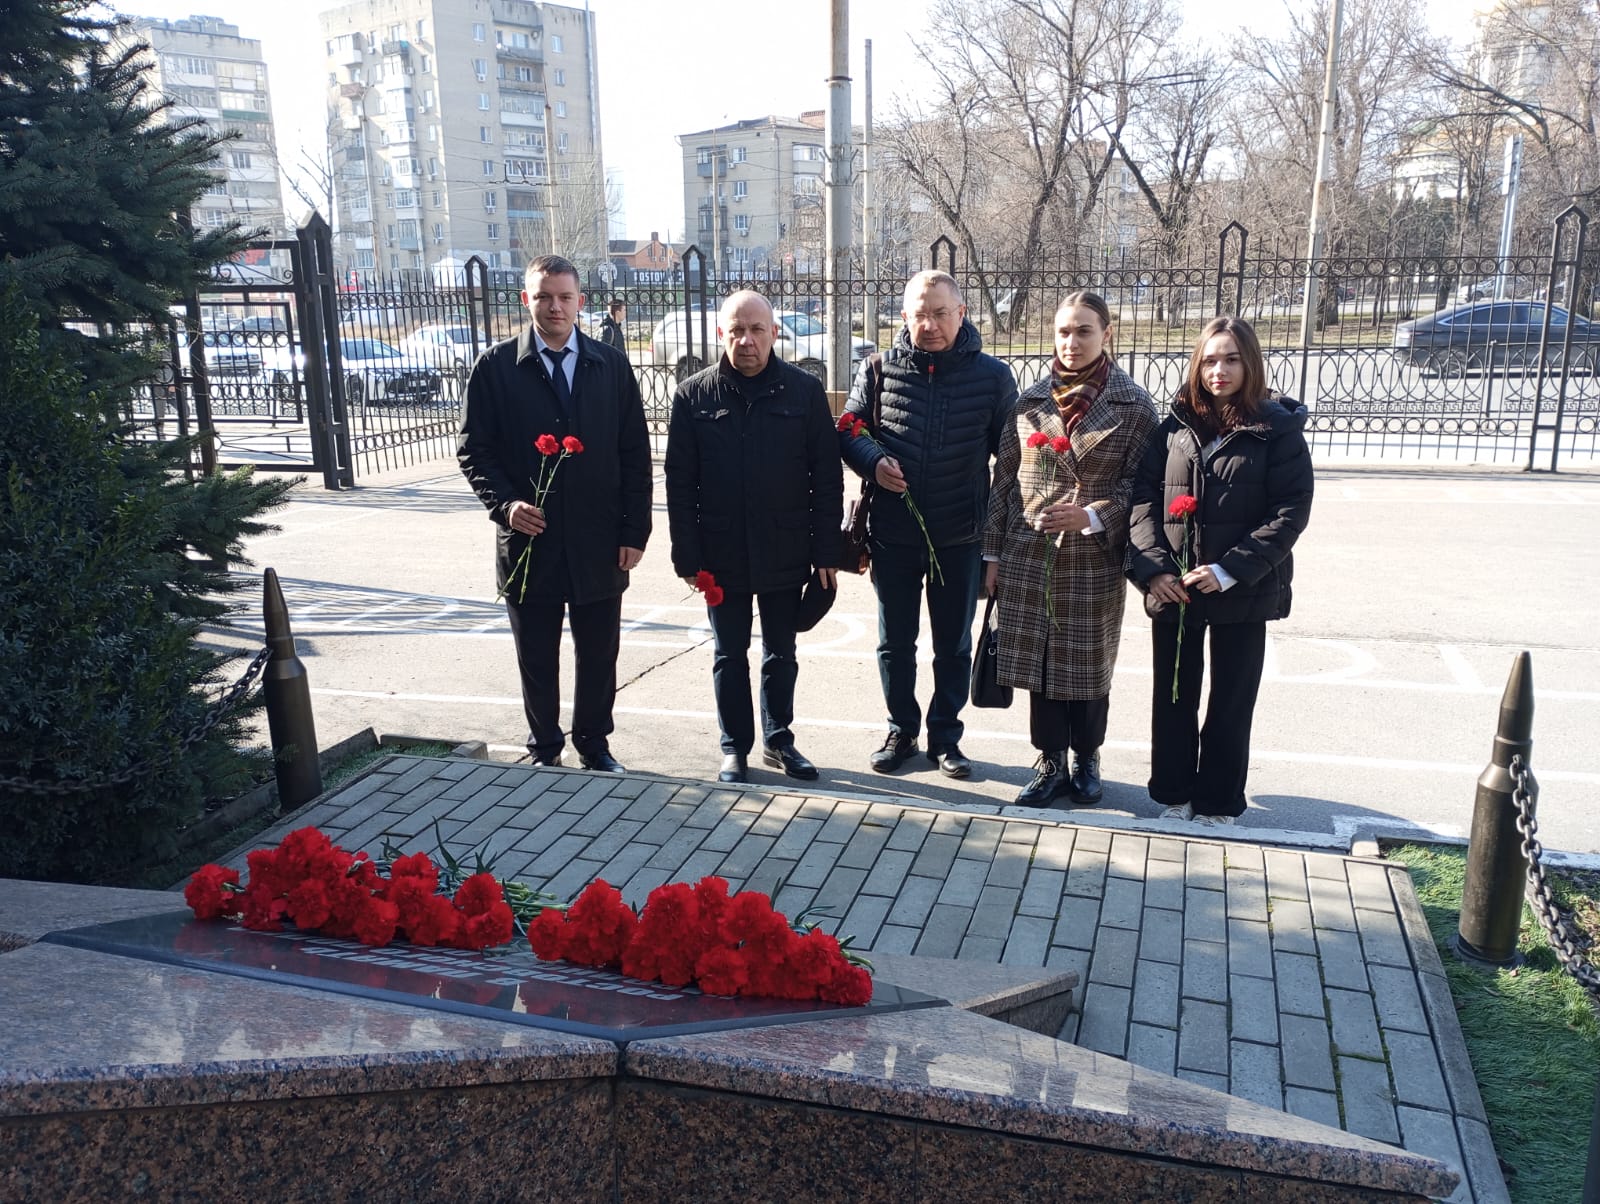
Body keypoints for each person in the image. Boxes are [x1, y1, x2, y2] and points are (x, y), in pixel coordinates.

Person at [458, 255, 652, 773]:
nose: (555, 307)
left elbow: (635, 453)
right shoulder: (496, 367)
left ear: (580, 302)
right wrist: (506, 505)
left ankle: (594, 744)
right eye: (543, 296)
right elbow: (474, 451)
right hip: (529, 541)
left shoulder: (611, 366)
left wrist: (635, 530)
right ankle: (544, 748)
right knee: (537, 655)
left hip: (599, 539)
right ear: (527, 300)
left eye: (565, 297)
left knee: (599, 653)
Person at [1127, 315, 1314, 826]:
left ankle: (1218, 802)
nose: (1219, 371)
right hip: (1176, 587)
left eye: (1231, 359)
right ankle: (1173, 795)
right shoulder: (1173, 428)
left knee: (1231, 699)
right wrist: (1154, 571)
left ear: (1249, 363)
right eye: (1209, 360)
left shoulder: (1276, 430)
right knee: (1174, 696)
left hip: (1243, 589)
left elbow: (1290, 511)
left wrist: (1229, 570)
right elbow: (1143, 501)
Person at [982, 292, 1158, 808]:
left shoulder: (1133, 405)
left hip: (1092, 557)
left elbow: (1141, 487)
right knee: (1039, 663)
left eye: (1084, 331)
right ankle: (1050, 760)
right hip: (1030, 552)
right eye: (1063, 331)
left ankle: (1087, 757)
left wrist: (1092, 516)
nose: (1072, 342)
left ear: (1107, 334)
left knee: (1087, 664)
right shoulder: (1030, 402)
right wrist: (992, 555)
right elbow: (1004, 482)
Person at [839, 269, 1016, 778]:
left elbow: (1009, 464)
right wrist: (873, 462)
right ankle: (901, 730)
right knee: (894, 643)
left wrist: (995, 545)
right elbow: (849, 430)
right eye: (920, 315)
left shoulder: (993, 377)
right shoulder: (877, 370)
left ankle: (945, 737)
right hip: (893, 536)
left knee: (953, 645)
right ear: (904, 316)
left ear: (962, 313)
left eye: (941, 314)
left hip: (960, 536)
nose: (931, 325)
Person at [665, 291, 843, 784]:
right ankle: (734, 747)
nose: (747, 340)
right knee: (729, 654)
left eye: (757, 329)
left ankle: (779, 739)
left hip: (786, 547)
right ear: (721, 334)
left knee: (781, 652)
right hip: (720, 552)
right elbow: (680, 484)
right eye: (737, 330)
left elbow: (826, 478)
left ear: (774, 333)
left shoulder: (804, 392)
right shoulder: (693, 395)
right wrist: (687, 557)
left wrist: (826, 550)